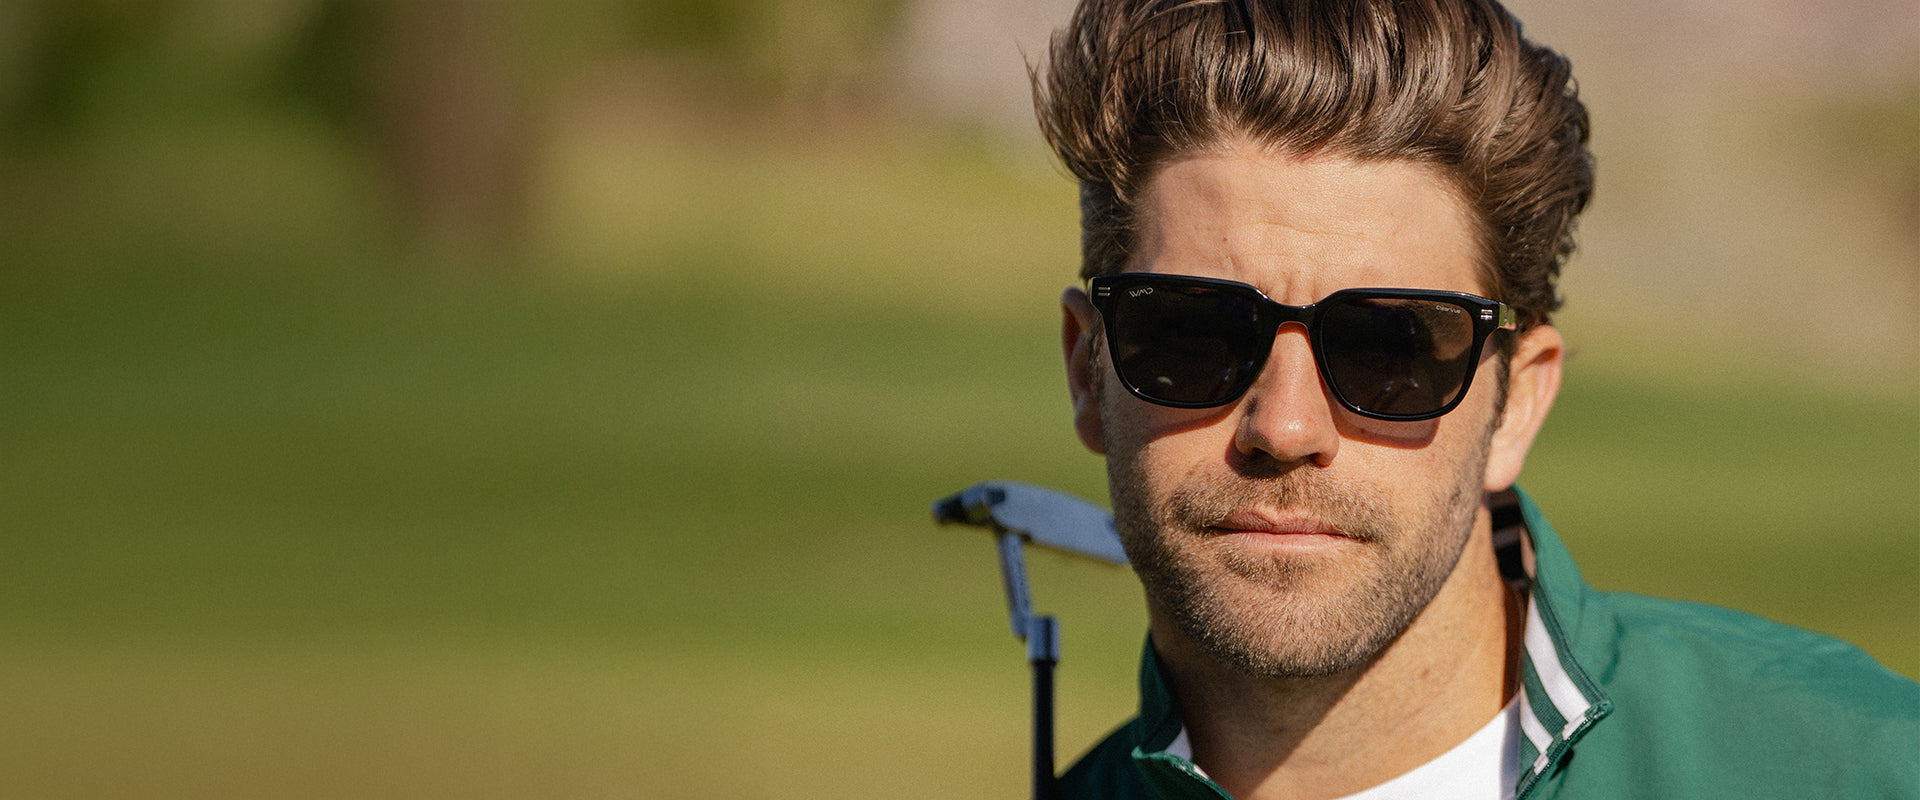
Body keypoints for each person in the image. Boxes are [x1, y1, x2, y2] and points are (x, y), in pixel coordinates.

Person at [1028, 1, 1919, 798]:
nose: (1286, 426)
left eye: (1391, 349)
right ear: (1085, 370)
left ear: (1518, 403)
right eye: (1194, 335)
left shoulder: (1860, 768)